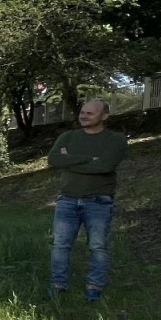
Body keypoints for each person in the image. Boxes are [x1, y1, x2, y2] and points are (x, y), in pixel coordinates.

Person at [47, 99, 128, 300]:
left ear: (104, 116)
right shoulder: (68, 136)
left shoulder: (115, 140)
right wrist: (88, 159)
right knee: (60, 245)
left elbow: (105, 167)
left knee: (98, 246)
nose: (84, 116)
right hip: (67, 200)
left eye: (90, 114)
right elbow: (54, 160)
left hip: (98, 201)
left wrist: (70, 160)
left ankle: (94, 288)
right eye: (82, 112)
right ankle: (58, 286)